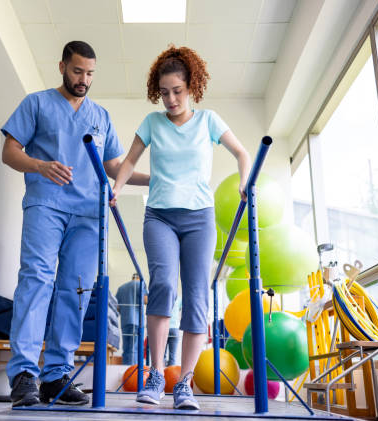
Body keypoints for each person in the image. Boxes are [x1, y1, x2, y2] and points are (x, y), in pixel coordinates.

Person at [1, 40, 149, 407]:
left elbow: (114, 167)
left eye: (90, 74)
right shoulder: (36, 103)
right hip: (46, 205)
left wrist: (155, 179)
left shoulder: (100, 116)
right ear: (62, 66)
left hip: (88, 213)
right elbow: (10, 152)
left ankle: (55, 377)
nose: (83, 79)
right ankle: (23, 375)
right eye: (77, 71)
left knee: (76, 292)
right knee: (36, 281)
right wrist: (39, 165)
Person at [110, 45, 251, 410]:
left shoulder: (209, 121)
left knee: (197, 299)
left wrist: (243, 181)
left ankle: (184, 382)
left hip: (199, 218)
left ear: (192, 87)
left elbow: (242, 153)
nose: (171, 99)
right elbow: (128, 161)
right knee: (161, 287)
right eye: (165, 92)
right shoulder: (152, 123)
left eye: (178, 91)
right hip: (159, 216)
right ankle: (157, 374)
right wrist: (117, 188)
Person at [115, 273, 148, 365]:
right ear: (139, 277)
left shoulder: (121, 288)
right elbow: (146, 300)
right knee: (135, 347)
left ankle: (125, 368)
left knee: (126, 348)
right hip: (137, 321)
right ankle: (133, 371)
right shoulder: (140, 284)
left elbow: (117, 307)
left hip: (125, 321)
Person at [164, 296, 181, 366]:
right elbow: (180, 312)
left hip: (164, 327)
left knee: (161, 355)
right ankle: (171, 375)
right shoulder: (179, 299)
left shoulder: (164, 297)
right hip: (175, 328)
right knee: (172, 356)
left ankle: (160, 375)